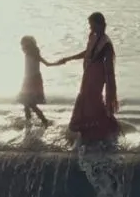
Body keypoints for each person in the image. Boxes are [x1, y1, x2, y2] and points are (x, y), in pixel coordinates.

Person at [51, 12, 120, 145]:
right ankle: (91, 132)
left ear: (101, 25)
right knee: (86, 100)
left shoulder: (106, 43)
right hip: (88, 76)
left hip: (97, 78)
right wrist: (69, 58)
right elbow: (87, 53)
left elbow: (109, 69)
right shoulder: (93, 37)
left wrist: (109, 86)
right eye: (90, 26)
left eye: (93, 26)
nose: (91, 29)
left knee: (93, 102)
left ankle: (101, 131)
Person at [18, 35, 51, 127]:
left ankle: (44, 121)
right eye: (23, 44)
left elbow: (46, 63)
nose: (23, 47)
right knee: (25, 103)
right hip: (27, 79)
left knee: (31, 104)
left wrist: (57, 63)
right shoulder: (28, 53)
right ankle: (28, 122)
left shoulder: (34, 53)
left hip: (33, 80)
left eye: (25, 44)